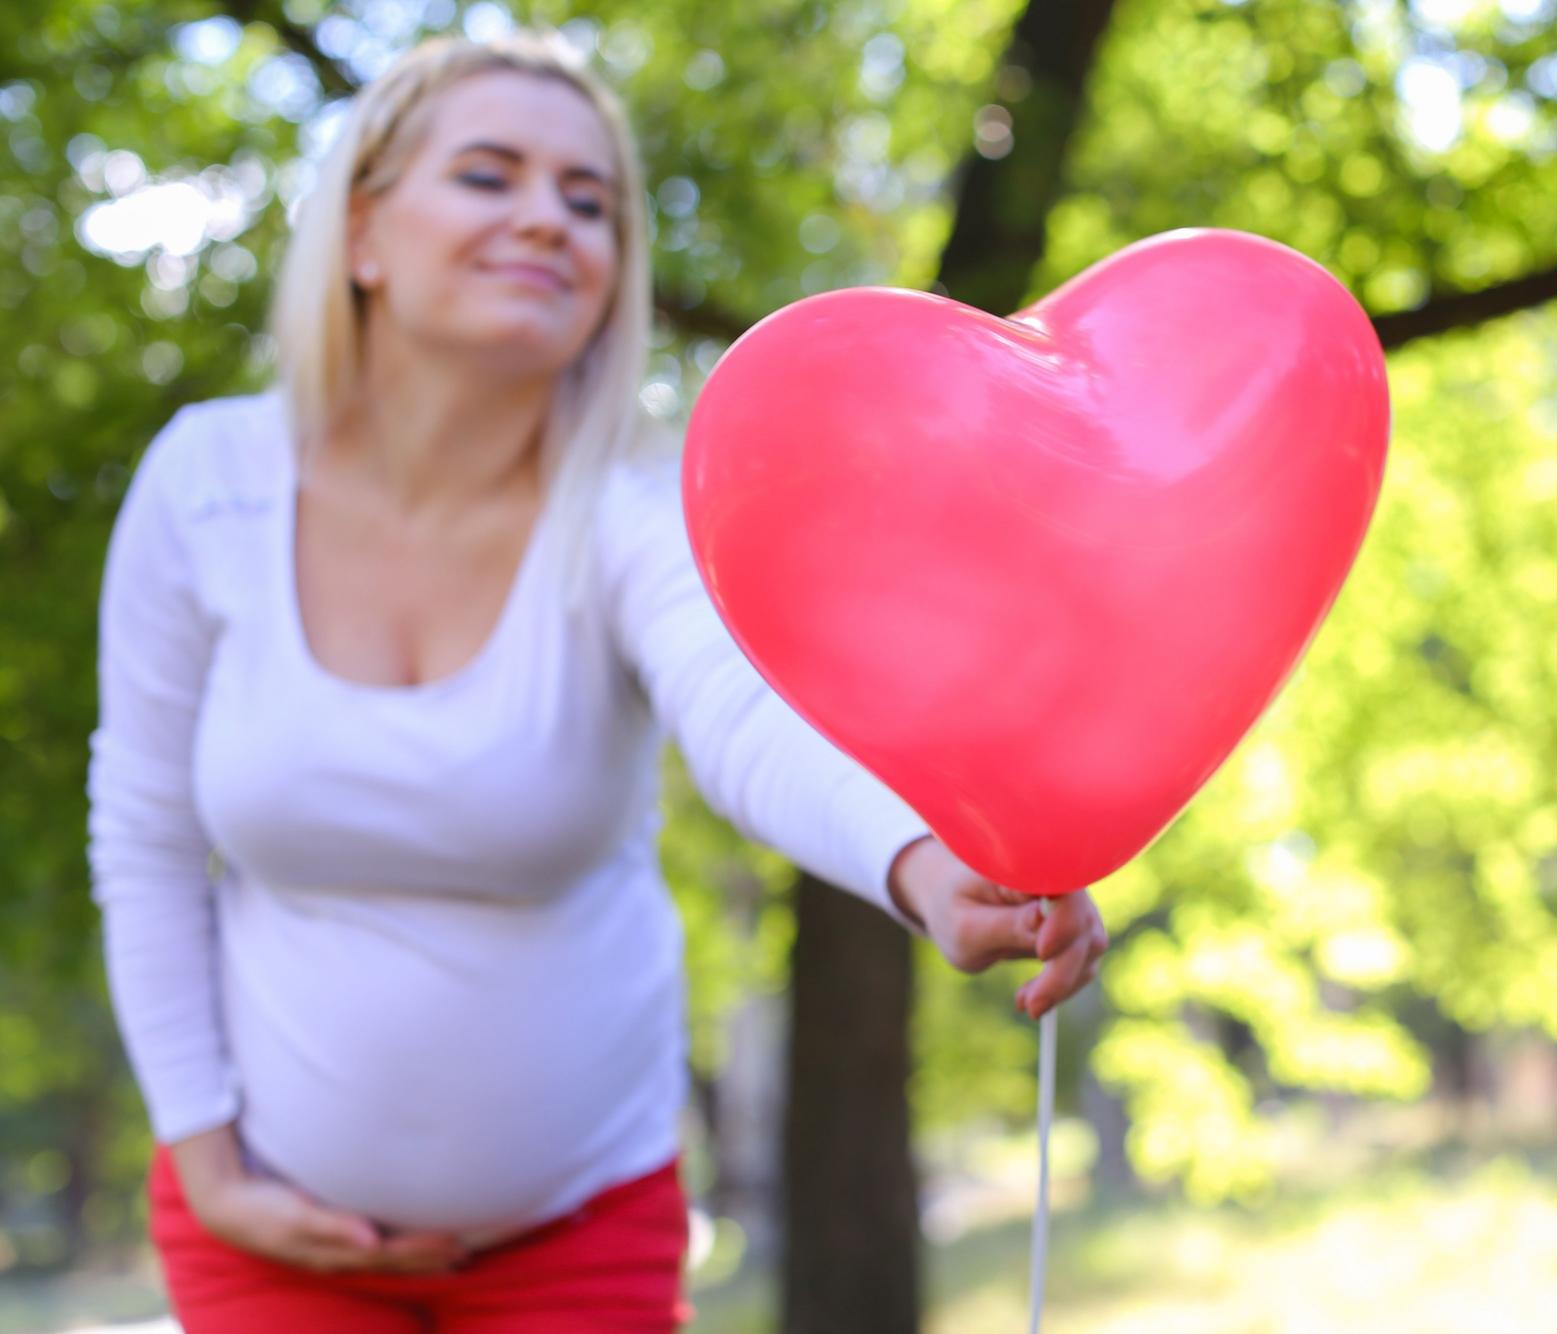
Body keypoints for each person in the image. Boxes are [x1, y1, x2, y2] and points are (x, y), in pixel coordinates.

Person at [86, 29, 1108, 1333]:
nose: (546, 219)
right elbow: (147, 836)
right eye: (488, 175)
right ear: (360, 234)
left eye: (590, 201)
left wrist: (921, 857)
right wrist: (208, 1158)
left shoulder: (633, 500)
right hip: (268, 1236)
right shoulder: (205, 481)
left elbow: (744, 714)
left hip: (578, 1236)